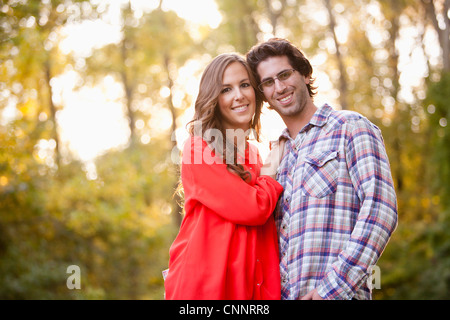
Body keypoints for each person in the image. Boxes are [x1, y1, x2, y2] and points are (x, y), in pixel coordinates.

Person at [246, 38, 398, 300]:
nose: (279, 87)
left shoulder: (350, 128)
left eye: (284, 75)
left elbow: (380, 210)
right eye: (268, 83)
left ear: (305, 74)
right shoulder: (273, 159)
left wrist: (330, 291)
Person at [164, 53, 285, 300]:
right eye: (226, 89)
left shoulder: (252, 152)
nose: (238, 95)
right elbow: (253, 208)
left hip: (251, 288)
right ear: (214, 99)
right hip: (206, 288)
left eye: (244, 85)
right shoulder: (199, 148)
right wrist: (270, 172)